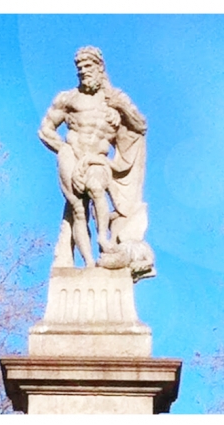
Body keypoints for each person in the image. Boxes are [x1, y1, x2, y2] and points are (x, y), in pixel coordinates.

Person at [38, 46, 148, 268]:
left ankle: (102, 239)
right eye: (79, 67)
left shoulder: (115, 99)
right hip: (71, 154)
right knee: (78, 208)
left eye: (88, 66)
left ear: (100, 68)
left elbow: (140, 126)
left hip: (97, 159)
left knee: (97, 189)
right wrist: (64, 149)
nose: (83, 71)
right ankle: (88, 262)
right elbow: (45, 129)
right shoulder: (68, 98)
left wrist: (121, 109)